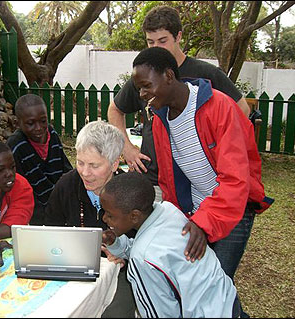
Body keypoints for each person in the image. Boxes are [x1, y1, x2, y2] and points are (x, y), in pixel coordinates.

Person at [132, 47, 274, 316]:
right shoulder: (161, 120)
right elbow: (169, 180)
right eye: (139, 89)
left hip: (232, 208)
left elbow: (235, 179)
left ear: (169, 76)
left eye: (146, 86)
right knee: (203, 285)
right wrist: (176, 220)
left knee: (214, 287)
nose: (142, 95)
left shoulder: (219, 107)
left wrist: (204, 222)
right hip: (196, 212)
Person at [107, 5, 251, 198]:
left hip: (201, 180)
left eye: (162, 41)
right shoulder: (143, 77)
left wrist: (214, 148)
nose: (156, 47)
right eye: (150, 42)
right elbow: (115, 109)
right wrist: (126, 147)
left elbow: (242, 109)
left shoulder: (207, 74)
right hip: (155, 178)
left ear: (179, 36)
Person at [100, 171, 241, 318]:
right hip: (226, 300)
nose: (104, 218)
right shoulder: (168, 210)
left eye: (110, 215)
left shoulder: (142, 258)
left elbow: (159, 312)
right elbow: (156, 253)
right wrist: (116, 243)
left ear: (134, 216)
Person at [45, 120, 137, 318]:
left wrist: (125, 256)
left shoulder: (130, 194)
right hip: (72, 268)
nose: (85, 173)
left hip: (119, 274)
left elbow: (143, 245)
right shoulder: (67, 185)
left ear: (114, 164)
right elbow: (49, 232)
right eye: (80, 162)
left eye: (94, 165)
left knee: (115, 312)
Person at [7, 94, 73, 225]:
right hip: (35, 210)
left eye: (43, 121)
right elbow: (21, 188)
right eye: (30, 123)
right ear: (17, 123)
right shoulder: (16, 146)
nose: (38, 128)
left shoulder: (51, 133)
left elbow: (66, 170)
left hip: (59, 202)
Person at [0, 139, 34, 241]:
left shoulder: (21, 186)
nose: (9, 174)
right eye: (0, 170)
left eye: (12, 167)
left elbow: (13, 228)